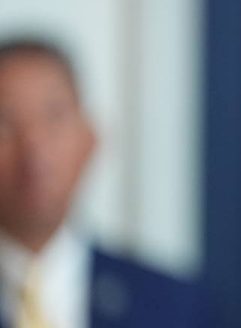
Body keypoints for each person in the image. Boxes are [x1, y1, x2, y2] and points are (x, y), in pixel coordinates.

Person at [0, 38, 204, 328]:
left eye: (54, 116)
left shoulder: (174, 305)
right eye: (5, 122)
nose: (33, 147)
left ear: (90, 140)